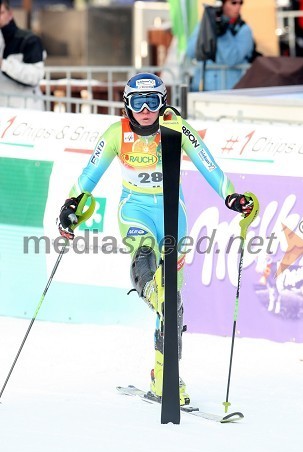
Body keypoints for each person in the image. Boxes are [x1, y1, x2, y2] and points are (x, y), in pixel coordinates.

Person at [57, 72, 254, 406]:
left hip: (172, 213)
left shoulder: (175, 127)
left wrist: (231, 197)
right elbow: (89, 174)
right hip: (134, 209)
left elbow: (208, 164)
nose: (145, 109)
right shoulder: (117, 133)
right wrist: (71, 204)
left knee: (172, 303)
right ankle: (151, 288)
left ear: (163, 101)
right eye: (137, 102)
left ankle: (165, 376)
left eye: (152, 101)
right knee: (145, 255)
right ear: (127, 105)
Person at [186, 0, 255, 91]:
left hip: (229, 92)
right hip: (203, 90)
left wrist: (223, 34)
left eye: (240, 3)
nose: (238, 6)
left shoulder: (244, 30)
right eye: (233, 3)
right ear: (222, 5)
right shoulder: (205, 24)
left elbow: (232, 59)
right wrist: (208, 27)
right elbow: (191, 52)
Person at [0, 0, 45, 110]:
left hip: (26, 112)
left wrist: (3, 64)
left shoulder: (29, 40)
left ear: (10, 14)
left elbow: (35, 76)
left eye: (0, 13)